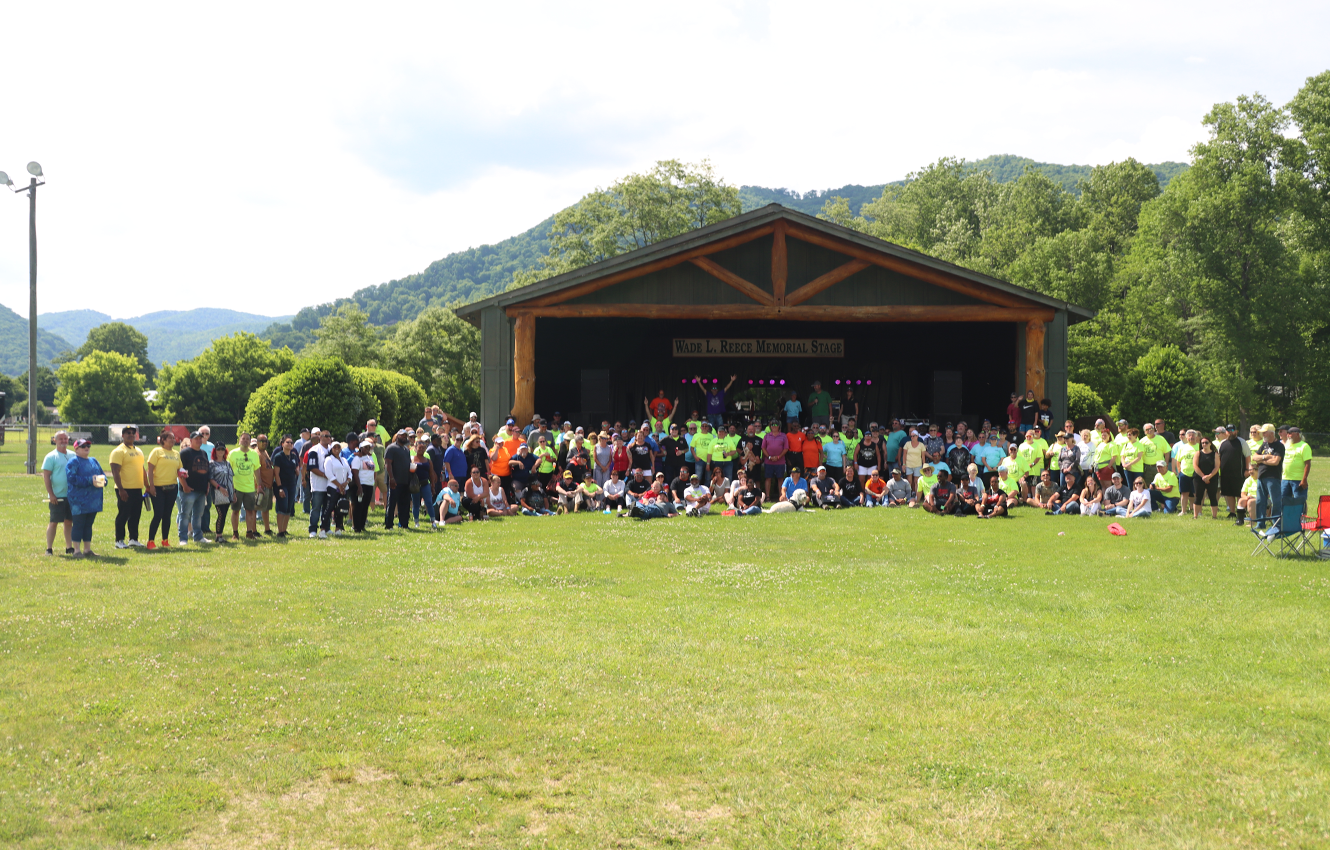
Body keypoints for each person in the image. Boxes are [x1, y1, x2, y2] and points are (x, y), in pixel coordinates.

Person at [65, 439, 106, 557]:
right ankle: (76, 551)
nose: (86, 447)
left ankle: (87, 550)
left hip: (93, 500)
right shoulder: (73, 462)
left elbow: (102, 474)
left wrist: (103, 481)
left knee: (88, 524)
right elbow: (72, 478)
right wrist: (90, 480)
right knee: (79, 524)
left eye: (88, 445)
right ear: (76, 449)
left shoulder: (93, 461)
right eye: (83, 446)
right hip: (78, 500)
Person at [108, 425, 146, 549]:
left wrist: (147, 486)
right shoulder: (119, 451)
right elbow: (115, 471)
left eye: (133, 433)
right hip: (125, 488)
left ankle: (133, 539)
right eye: (127, 433)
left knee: (136, 514)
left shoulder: (138, 451)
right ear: (123, 435)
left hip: (137, 488)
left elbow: (142, 469)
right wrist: (121, 489)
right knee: (123, 514)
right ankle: (119, 540)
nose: (130, 435)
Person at [144, 431, 181, 549]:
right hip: (158, 488)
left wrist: (184, 475)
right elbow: (150, 470)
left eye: (174, 438)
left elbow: (179, 469)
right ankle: (150, 541)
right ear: (163, 440)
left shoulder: (176, 454)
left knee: (167, 515)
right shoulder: (156, 451)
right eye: (170, 438)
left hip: (172, 487)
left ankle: (165, 540)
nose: (173, 440)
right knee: (158, 514)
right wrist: (151, 486)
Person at [41, 430, 74, 556]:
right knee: (54, 522)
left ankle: (69, 547)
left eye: (65, 438)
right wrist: (52, 494)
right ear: (55, 440)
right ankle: (49, 549)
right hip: (57, 497)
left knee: (68, 522)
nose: (63, 441)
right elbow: (46, 477)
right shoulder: (50, 457)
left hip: (71, 495)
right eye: (60, 439)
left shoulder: (73, 455)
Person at [177, 431, 212, 545]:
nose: (198, 440)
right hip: (189, 490)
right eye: (196, 438)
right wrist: (185, 485)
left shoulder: (203, 453)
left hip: (201, 490)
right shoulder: (185, 453)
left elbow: (206, 471)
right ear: (191, 440)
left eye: (200, 438)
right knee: (185, 514)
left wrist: (207, 486)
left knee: (198, 515)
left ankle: (198, 536)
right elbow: (179, 471)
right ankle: (183, 538)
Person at [1250, 424, 1284, 531]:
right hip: (1261, 477)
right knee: (1260, 501)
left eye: (1265, 432)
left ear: (1271, 433)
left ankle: (1276, 523)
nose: (1263, 434)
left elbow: (1275, 461)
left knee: (1275, 501)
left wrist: (1261, 460)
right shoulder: (1264, 445)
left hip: (1273, 477)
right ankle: (1260, 523)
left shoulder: (1279, 446)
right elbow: (1254, 457)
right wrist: (1266, 456)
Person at [229, 433, 262, 541]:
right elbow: (228, 471)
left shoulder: (254, 454)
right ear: (239, 440)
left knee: (250, 511)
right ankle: (235, 533)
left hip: (250, 488)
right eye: (243, 439)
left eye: (248, 439)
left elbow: (257, 470)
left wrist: (259, 485)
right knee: (235, 511)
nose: (246, 441)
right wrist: (231, 487)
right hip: (236, 487)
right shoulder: (233, 453)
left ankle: (249, 532)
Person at [1281, 426, 1313, 517]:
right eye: (1287, 433)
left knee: (1299, 500)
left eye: (1290, 433)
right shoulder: (1286, 445)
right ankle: (1286, 519)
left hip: (1298, 479)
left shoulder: (1304, 446)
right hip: (1285, 478)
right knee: (1284, 500)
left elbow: (1307, 464)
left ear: (1297, 434)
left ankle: (1301, 519)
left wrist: (1304, 479)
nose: (1288, 435)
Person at [384, 430, 413, 530]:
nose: (404, 437)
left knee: (404, 504)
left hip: (405, 481)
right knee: (391, 504)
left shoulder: (406, 450)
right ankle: (389, 524)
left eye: (406, 435)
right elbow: (388, 464)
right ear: (397, 436)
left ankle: (403, 524)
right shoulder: (391, 448)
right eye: (402, 435)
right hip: (394, 481)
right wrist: (391, 478)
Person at [270, 435, 299, 537]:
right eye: (288, 442)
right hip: (282, 485)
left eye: (291, 443)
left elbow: (297, 468)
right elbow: (276, 474)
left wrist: (297, 471)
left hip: (292, 485)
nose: (290, 444)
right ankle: (280, 531)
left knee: (288, 509)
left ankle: (284, 529)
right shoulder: (279, 456)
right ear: (282, 444)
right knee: (282, 507)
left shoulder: (294, 456)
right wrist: (280, 487)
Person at [209, 444, 237, 541]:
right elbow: (210, 479)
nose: (220, 451)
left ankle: (220, 535)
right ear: (214, 451)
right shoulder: (212, 464)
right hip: (218, 492)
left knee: (224, 514)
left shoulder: (227, 463)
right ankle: (218, 536)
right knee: (221, 513)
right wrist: (219, 487)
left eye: (222, 449)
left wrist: (233, 492)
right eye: (218, 449)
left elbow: (231, 479)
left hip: (228, 492)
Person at [323, 442, 351, 535]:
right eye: (334, 447)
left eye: (338, 447)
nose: (336, 449)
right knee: (330, 507)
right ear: (331, 449)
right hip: (333, 487)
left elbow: (349, 473)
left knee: (341, 508)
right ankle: (323, 529)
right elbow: (328, 474)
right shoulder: (329, 459)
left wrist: (346, 483)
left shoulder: (344, 460)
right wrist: (339, 485)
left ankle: (338, 528)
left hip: (344, 488)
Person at [1192, 434, 1220, 519]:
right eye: (1202, 443)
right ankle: (1195, 516)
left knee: (1212, 496)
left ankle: (1214, 516)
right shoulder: (1198, 453)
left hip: (1212, 478)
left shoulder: (1215, 454)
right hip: (1199, 478)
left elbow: (1217, 467)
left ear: (1210, 443)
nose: (1204, 444)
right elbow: (1195, 466)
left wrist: (1209, 476)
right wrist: (1203, 476)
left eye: (1206, 442)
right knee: (1198, 496)